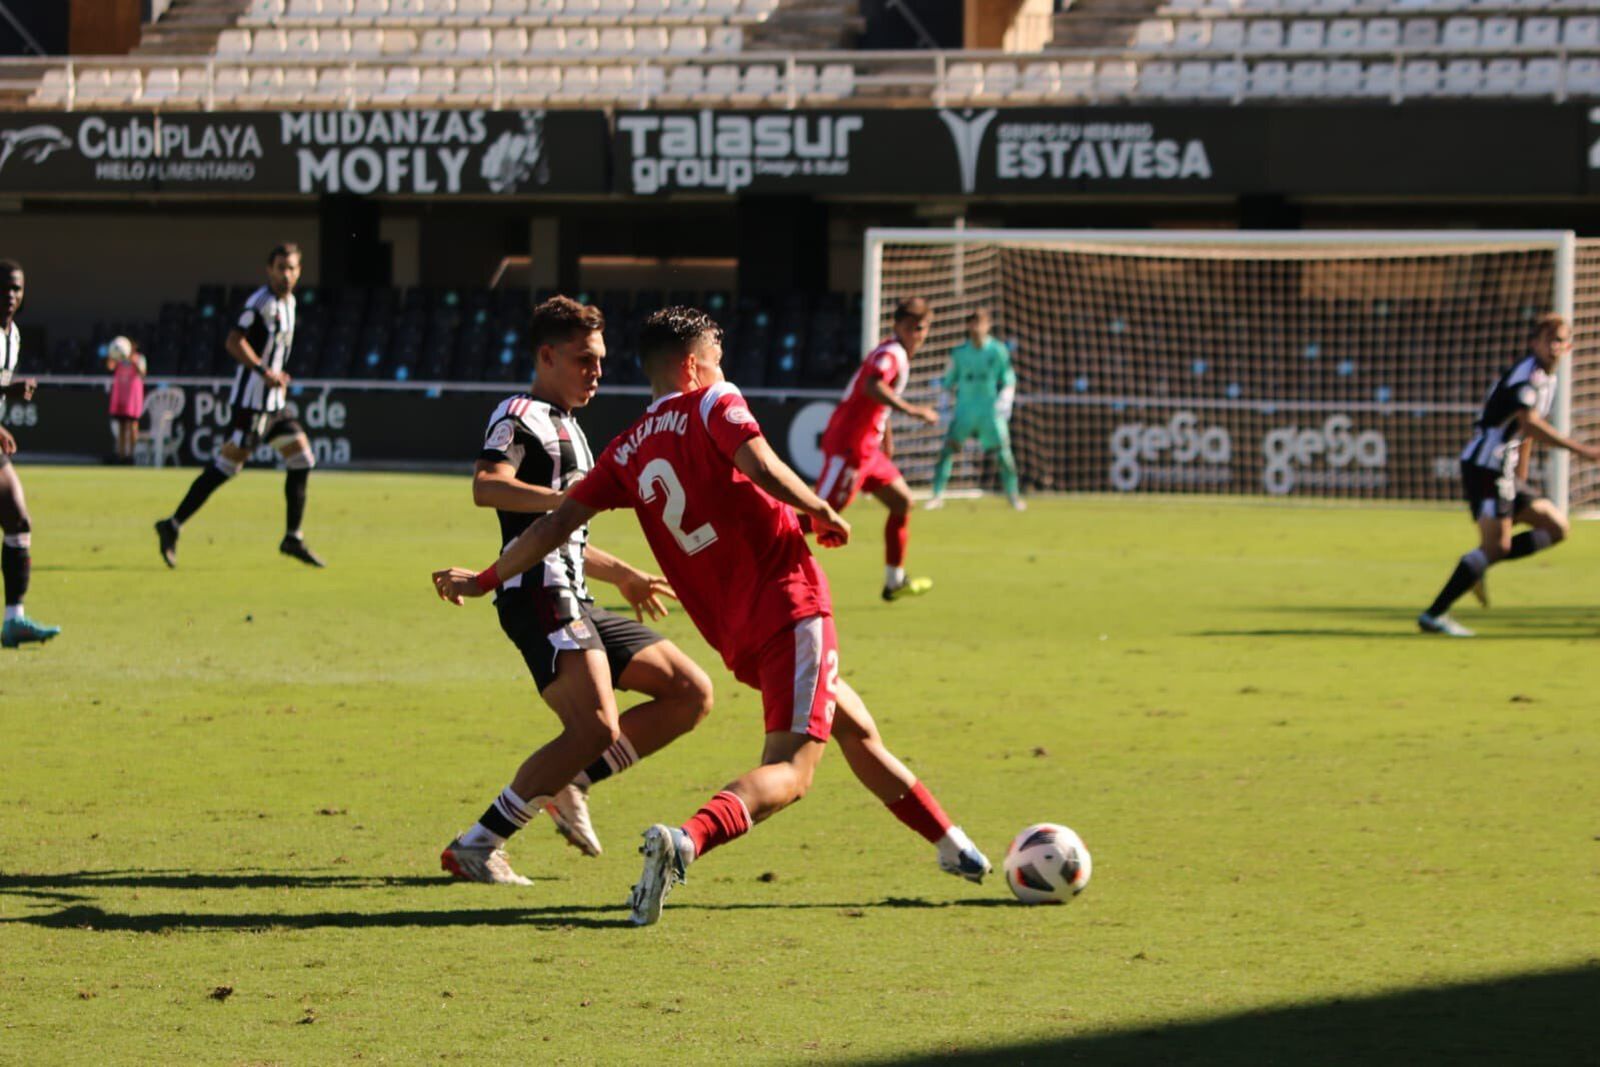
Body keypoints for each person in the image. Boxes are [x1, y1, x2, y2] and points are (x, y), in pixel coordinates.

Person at [432, 306, 991, 927]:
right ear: (695, 366)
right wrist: (821, 510)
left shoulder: (624, 448)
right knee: (793, 769)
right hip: (790, 603)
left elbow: (558, 524)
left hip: (739, 635)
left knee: (851, 728)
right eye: (717, 361)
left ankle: (954, 847)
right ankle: (685, 841)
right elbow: (760, 465)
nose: (723, 370)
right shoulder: (712, 402)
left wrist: (485, 577)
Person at [438, 295, 714, 885]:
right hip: (538, 595)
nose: (597, 372)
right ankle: (477, 844)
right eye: (585, 359)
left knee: (690, 693)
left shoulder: (573, 429)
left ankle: (574, 783)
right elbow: (489, 486)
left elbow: (568, 533)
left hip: (575, 593)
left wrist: (626, 575)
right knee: (594, 729)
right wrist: (564, 501)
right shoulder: (517, 414)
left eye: (601, 359)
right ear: (546, 356)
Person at [1418, 313, 1600, 637]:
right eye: (1550, 340)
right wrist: (1581, 450)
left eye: (1561, 341)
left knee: (1556, 527)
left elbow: (1524, 432)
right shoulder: (1528, 374)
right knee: (1498, 547)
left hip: (1505, 469)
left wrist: (1521, 475)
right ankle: (1435, 613)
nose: (1555, 347)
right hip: (1485, 465)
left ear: (1569, 346)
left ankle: (1477, 563)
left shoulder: (1548, 378)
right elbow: (1529, 423)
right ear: (1535, 343)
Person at [154, 243, 325, 568]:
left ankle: (293, 537)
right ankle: (172, 524)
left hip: (275, 403)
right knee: (227, 467)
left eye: (291, 268)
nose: (286, 274)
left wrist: (277, 374)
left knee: (302, 458)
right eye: (280, 268)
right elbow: (233, 341)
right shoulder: (260, 302)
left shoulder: (290, 302)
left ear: (299, 271)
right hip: (251, 404)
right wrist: (264, 371)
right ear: (269, 270)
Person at [814, 296, 940, 602]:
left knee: (902, 502)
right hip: (850, 444)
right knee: (821, 515)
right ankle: (748, 551)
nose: (916, 334)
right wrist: (913, 410)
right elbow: (873, 386)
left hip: (870, 447)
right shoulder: (891, 353)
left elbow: (877, 401)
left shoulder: (894, 354)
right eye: (911, 327)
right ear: (897, 326)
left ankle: (895, 580)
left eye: (921, 328)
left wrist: (887, 437)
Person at [0, 259, 60, 648]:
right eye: (3, 286)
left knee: (18, 522)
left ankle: (14, 621)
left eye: (17, 288)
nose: (10, 294)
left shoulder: (13, 335)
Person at [926, 308, 1024, 511]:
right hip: (964, 412)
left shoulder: (997, 350)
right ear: (968, 326)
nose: (977, 327)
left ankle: (1013, 496)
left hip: (990, 413)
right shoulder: (959, 353)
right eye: (973, 322)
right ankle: (937, 495)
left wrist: (1006, 397)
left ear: (988, 325)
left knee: (1004, 456)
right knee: (947, 451)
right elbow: (948, 380)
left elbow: (1008, 378)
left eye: (981, 322)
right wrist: (944, 404)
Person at [106, 335, 146, 465]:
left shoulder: (139, 359)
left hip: (132, 399)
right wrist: (112, 355)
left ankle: (132, 454)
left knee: (133, 426)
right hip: (120, 397)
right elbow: (110, 367)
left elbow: (142, 373)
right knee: (122, 427)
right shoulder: (119, 360)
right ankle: (122, 455)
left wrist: (134, 363)